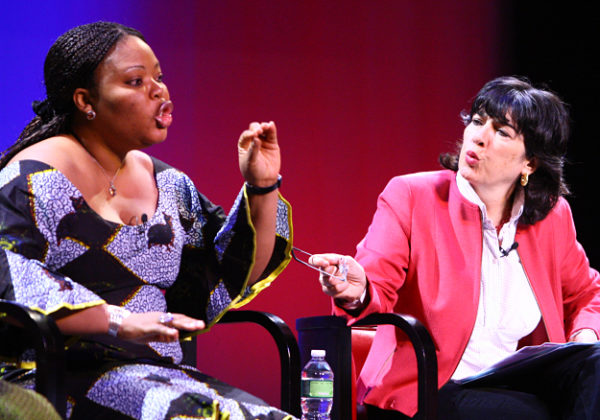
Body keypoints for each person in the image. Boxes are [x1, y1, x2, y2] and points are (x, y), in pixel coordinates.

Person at [0, 21, 294, 420]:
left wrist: (261, 186)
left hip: (158, 377)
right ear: (86, 100)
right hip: (53, 377)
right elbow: (10, 276)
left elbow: (229, 272)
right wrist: (118, 321)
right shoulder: (35, 178)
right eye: (136, 81)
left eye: (159, 76)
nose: (159, 90)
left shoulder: (168, 184)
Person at [308, 76, 600, 419]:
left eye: (502, 132)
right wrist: (356, 291)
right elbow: (376, 284)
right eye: (478, 121)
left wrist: (582, 340)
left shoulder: (551, 217)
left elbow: (587, 295)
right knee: (534, 414)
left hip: (511, 380)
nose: (479, 136)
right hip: (430, 387)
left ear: (530, 164)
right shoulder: (412, 196)